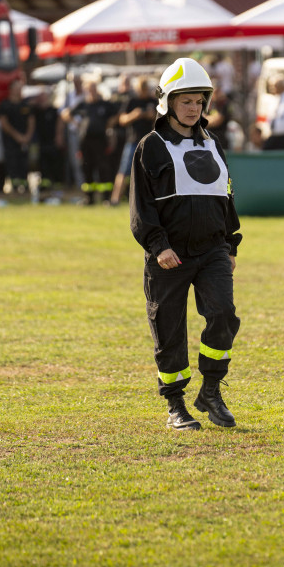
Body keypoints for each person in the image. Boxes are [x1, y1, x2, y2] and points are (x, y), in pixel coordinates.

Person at [129, 57, 242, 431]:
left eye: (199, 101)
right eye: (186, 101)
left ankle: (211, 391)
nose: (193, 109)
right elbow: (141, 207)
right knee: (170, 331)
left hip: (212, 251)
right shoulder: (151, 147)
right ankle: (176, 405)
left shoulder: (214, 144)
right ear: (168, 103)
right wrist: (158, 245)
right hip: (168, 256)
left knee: (224, 314)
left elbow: (225, 198)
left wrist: (230, 246)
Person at [110, 76, 157, 206]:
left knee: (152, 172)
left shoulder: (154, 101)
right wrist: (134, 115)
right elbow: (122, 120)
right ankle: (115, 200)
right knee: (124, 171)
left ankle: (152, 200)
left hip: (150, 141)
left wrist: (152, 116)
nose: (143, 92)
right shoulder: (132, 101)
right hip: (133, 141)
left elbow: (162, 119)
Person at [74, 79, 118, 204]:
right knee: (87, 168)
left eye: (94, 89)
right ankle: (89, 198)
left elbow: (117, 115)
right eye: (89, 90)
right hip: (85, 142)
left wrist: (109, 125)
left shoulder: (104, 104)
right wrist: (76, 123)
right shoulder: (83, 105)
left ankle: (106, 198)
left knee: (103, 168)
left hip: (100, 141)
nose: (92, 92)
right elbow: (66, 113)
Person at [0, 78, 35, 193]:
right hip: (11, 141)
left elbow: (31, 121)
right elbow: (4, 123)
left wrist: (27, 136)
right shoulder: (5, 105)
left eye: (20, 88)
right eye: (17, 88)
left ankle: (25, 188)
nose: (19, 91)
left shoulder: (26, 105)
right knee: (12, 164)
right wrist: (17, 136)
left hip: (24, 141)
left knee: (24, 165)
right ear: (11, 90)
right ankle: (14, 189)